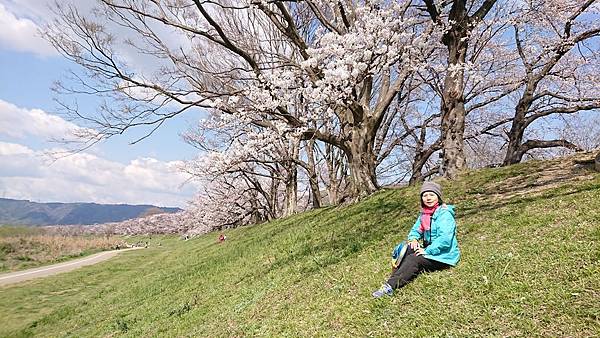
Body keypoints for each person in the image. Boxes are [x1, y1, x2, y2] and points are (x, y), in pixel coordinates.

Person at [372, 181, 460, 298]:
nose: (428, 198)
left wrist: (427, 251)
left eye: (432, 195)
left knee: (415, 259)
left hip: (443, 256)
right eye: (425, 195)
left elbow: (445, 239)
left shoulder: (444, 215)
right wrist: (413, 239)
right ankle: (397, 274)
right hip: (430, 250)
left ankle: (390, 287)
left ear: (438, 197)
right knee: (406, 248)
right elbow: (415, 230)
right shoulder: (424, 214)